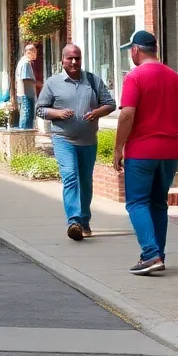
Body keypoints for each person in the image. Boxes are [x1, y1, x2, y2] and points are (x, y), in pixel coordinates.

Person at [113, 30, 178, 276]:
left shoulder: (134, 77)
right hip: (169, 150)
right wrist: (169, 127)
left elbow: (127, 114)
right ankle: (158, 254)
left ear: (136, 50)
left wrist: (118, 148)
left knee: (137, 202)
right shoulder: (174, 77)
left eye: (131, 50)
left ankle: (150, 254)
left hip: (142, 150)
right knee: (159, 203)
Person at [36, 44, 116, 241]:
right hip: (63, 139)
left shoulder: (92, 80)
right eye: (70, 58)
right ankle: (74, 221)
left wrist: (98, 112)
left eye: (77, 58)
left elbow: (111, 104)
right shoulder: (53, 83)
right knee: (70, 177)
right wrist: (58, 113)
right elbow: (40, 109)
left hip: (88, 140)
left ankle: (85, 221)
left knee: (86, 182)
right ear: (62, 60)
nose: (73, 62)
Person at [14, 42, 39, 130]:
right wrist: (39, 83)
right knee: (26, 117)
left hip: (23, 94)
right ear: (30, 52)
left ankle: (24, 137)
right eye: (35, 52)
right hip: (26, 95)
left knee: (25, 116)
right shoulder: (25, 63)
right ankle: (24, 138)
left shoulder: (22, 62)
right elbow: (26, 78)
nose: (35, 54)